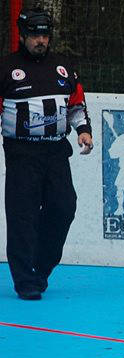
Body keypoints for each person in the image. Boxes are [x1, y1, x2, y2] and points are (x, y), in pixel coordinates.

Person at [1, 5, 93, 300]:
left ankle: (40, 268)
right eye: (35, 35)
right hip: (22, 154)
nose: (41, 41)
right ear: (22, 35)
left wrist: (83, 130)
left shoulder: (63, 67)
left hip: (56, 152)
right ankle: (25, 279)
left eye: (45, 35)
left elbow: (76, 105)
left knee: (64, 208)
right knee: (22, 216)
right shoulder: (6, 69)